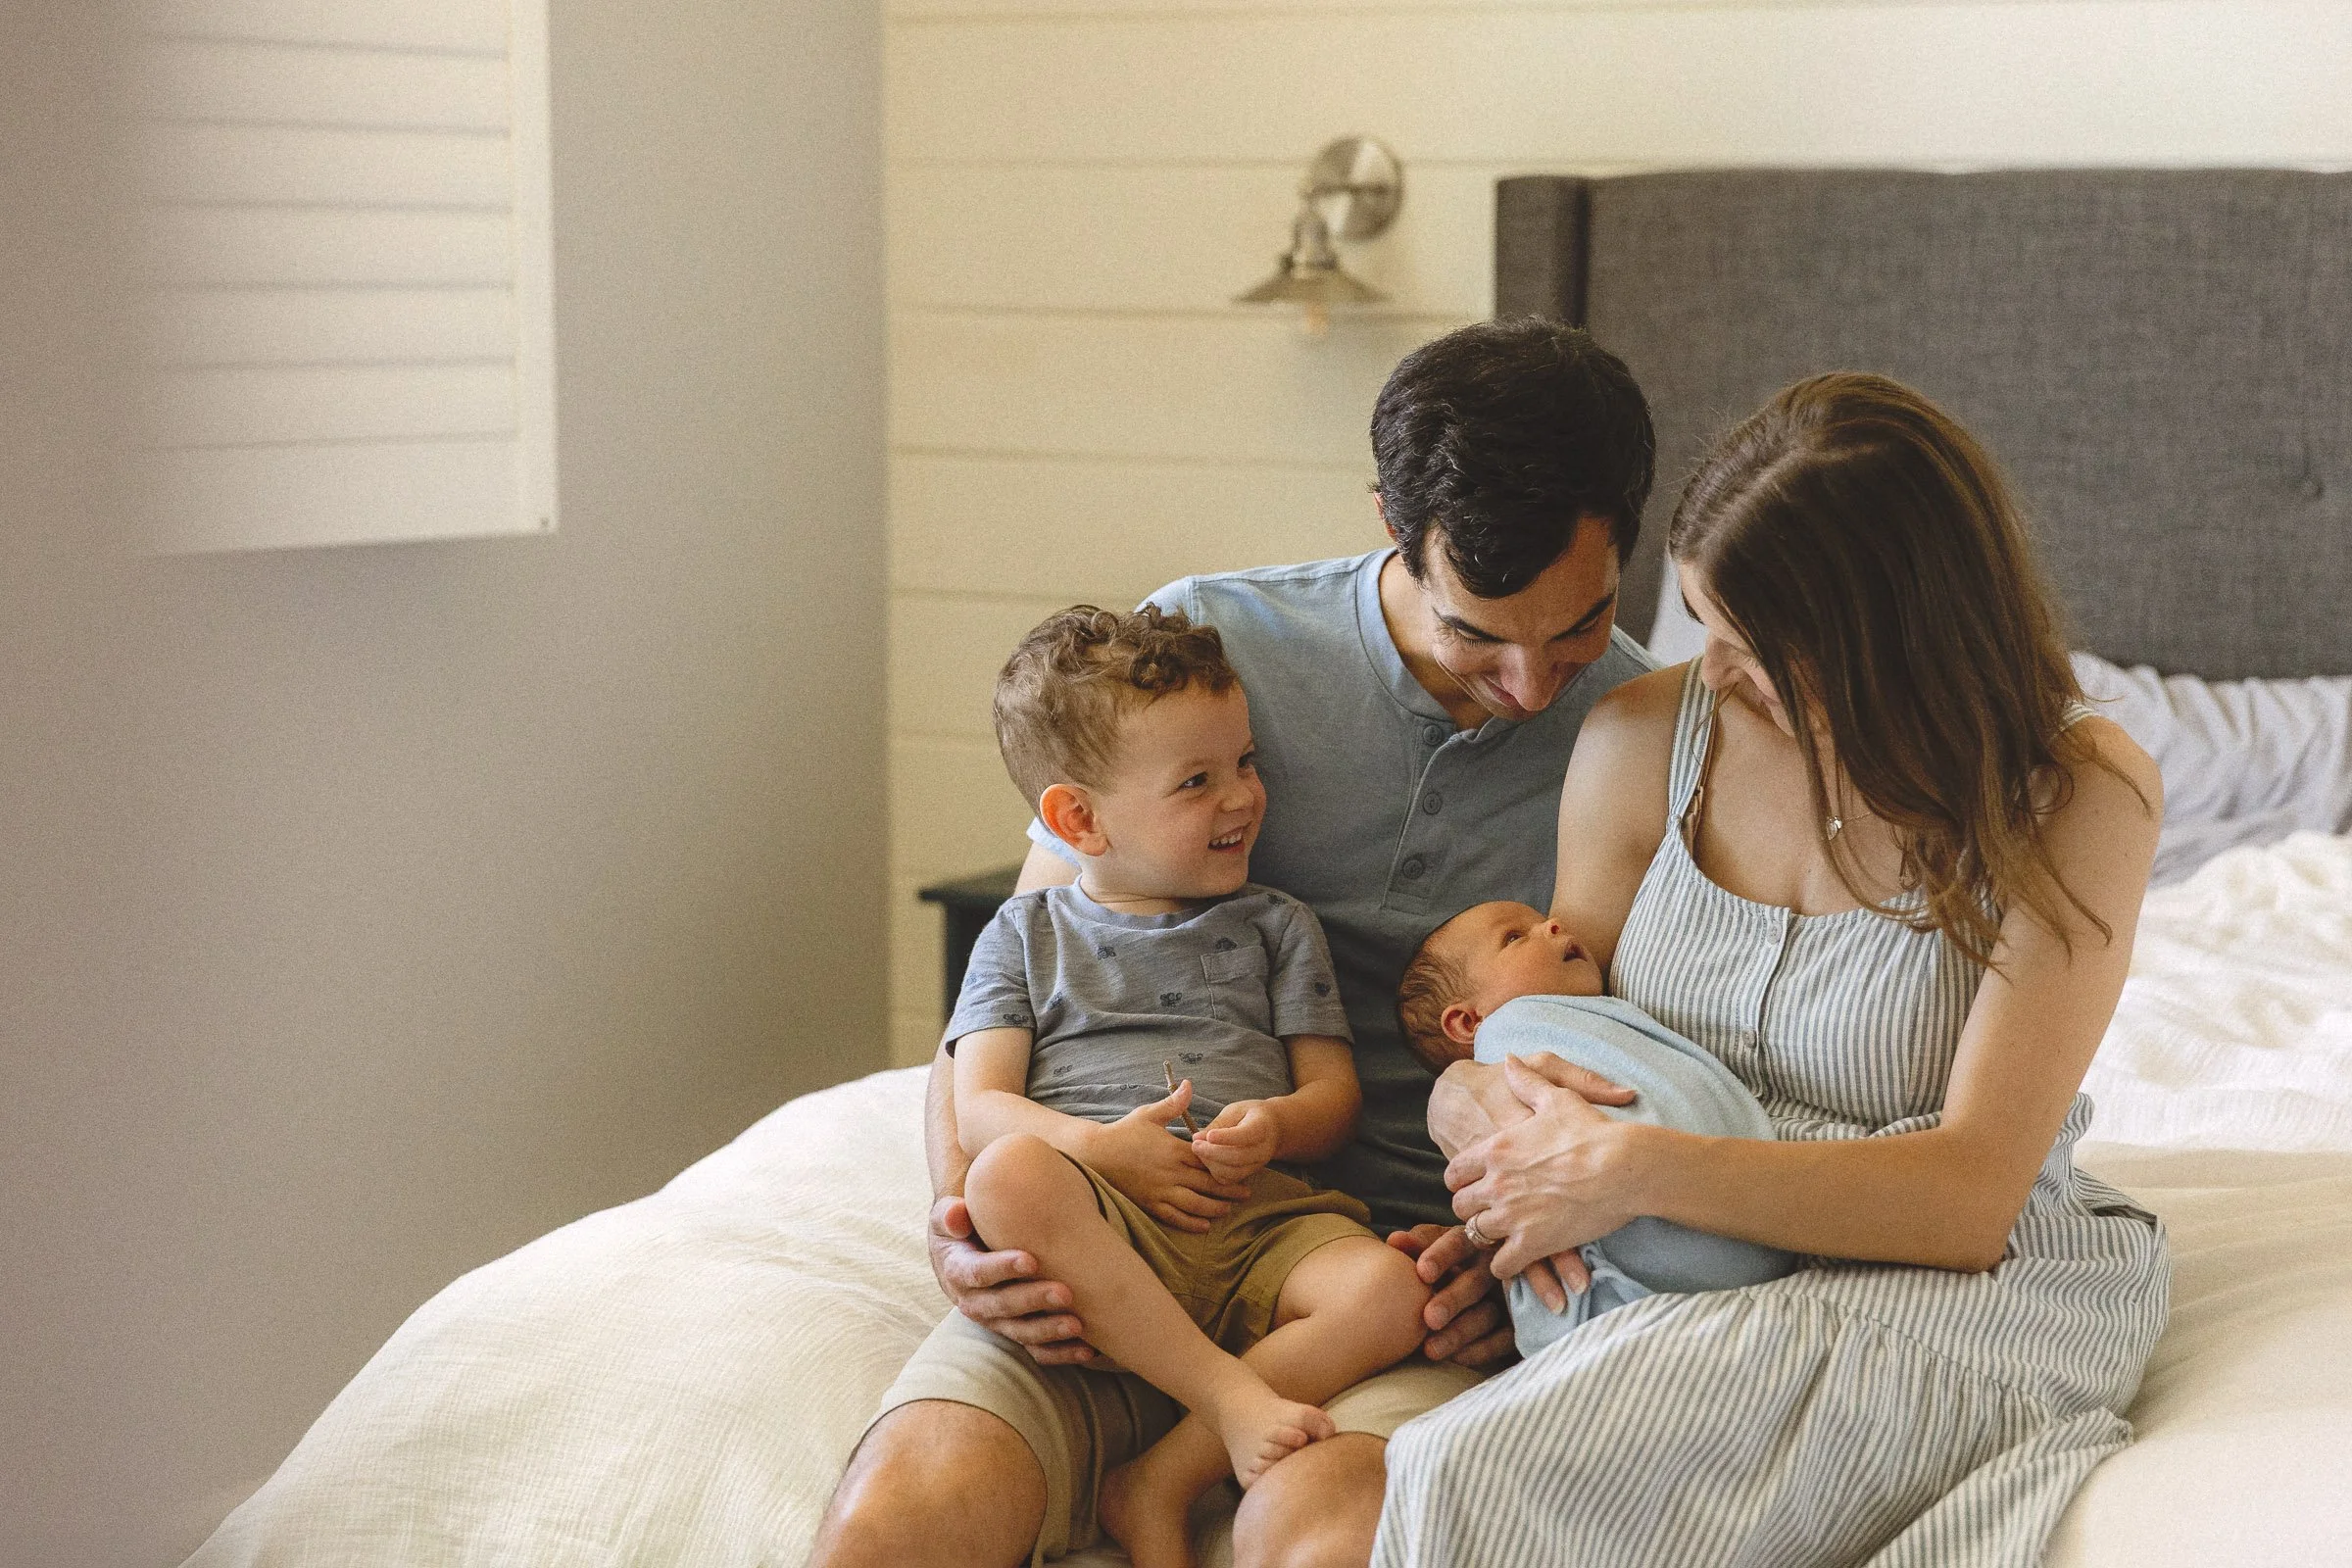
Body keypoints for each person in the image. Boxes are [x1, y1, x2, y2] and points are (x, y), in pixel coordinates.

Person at [809, 318, 1660, 1568]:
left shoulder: (1639, 738)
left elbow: (1602, 1054)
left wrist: (1500, 1253)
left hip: (1379, 1286)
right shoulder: (1211, 647)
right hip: (1107, 1233)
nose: (1532, 684)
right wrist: (960, 1219)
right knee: (897, 1523)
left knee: (1321, 1543)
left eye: (1576, 627)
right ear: (1389, 519)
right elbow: (1022, 964)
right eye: (1479, 632)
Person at [1381, 372, 2171, 1565]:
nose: (1712, 672)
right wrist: (1497, 1151)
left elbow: (1969, 1201)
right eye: (1704, 628)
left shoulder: (2073, 792)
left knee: (1469, 1468)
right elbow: (1549, 1023)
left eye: (1752, 652)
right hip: (1673, 1261)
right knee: (1422, 1476)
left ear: (1882, 650)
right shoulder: (1642, 740)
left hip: (1954, 1278)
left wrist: (1635, 1169)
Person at [949, 605, 1430, 1567]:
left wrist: (1276, 1125)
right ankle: (1228, 1395)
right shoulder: (1024, 935)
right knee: (1005, 1174)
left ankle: (1162, 1476)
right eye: (1197, 781)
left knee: (1387, 1291)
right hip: (1108, 1224)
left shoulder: (1277, 925)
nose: (1244, 797)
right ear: (1078, 818)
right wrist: (1099, 1149)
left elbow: (1330, 1099)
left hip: (1258, 1220)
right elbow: (980, 1103)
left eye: (1245, 763)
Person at [1394, 900, 1793, 1357]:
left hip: (1751, 1204)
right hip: (1653, 1285)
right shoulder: (1511, 1036)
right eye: (1515, 937)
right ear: (1469, 1021)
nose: (1554, 924)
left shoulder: (1607, 1020)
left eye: (1542, 921)